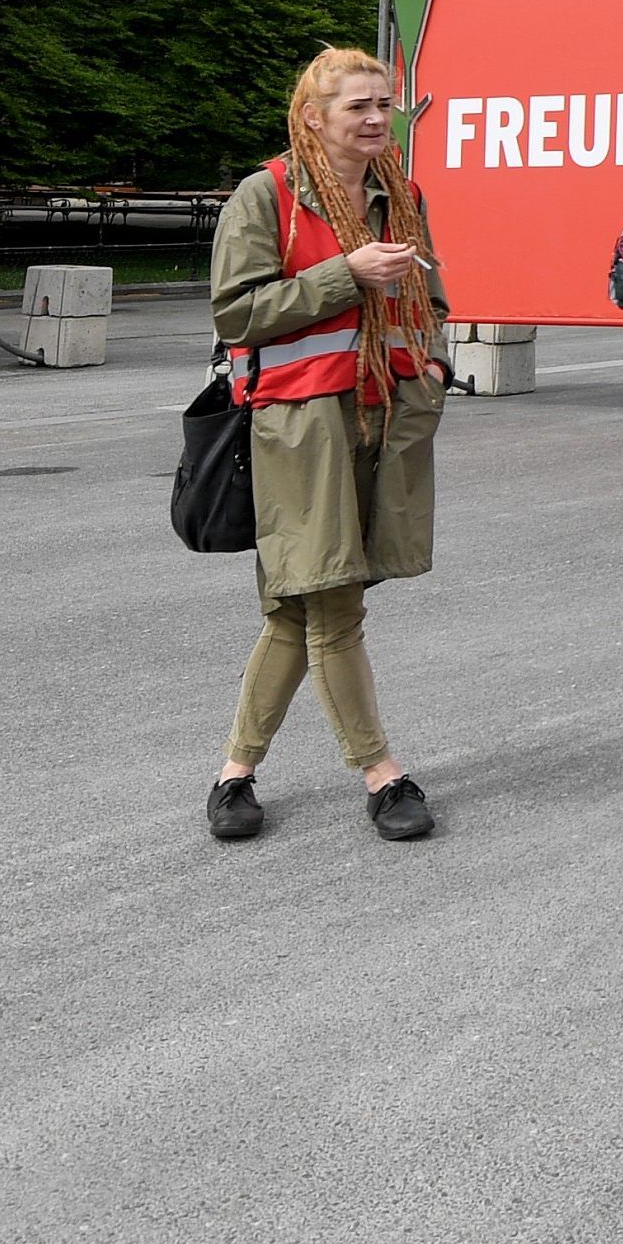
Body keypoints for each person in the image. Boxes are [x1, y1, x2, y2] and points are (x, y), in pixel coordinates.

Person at [206, 47, 450, 847]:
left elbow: (430, 299)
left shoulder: (402, 194)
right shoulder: (267, 193)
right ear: (314, 115)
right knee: (334, 599)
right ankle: (383, 775)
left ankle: (233, 775)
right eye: (358, 105)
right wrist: (346, 273)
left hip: (385, 420)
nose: (378, 117)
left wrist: (436, 367)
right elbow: (236, 313)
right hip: (299, 430)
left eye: (384, 103)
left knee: (293, 607)